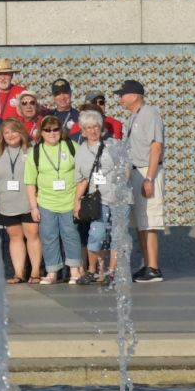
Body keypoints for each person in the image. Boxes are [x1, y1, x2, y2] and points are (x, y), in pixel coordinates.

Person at [118, 80, 167, 282]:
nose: (120, 98)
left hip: (148, 170)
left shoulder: (150, 114)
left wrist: (149, 177)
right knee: (140, 221)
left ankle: (154, 267)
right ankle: (147, 265)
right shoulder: (133, 117)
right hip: (136, 171)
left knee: (149, 221)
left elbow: (156, 146)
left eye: (122, 94)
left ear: (135, 95)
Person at [26, 115, 85, 285]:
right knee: (49, 236)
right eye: (47, 130)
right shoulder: (35, 152)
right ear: (41, 132)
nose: (52, 133)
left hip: (69, 200)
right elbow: (30, 182)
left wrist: (78, 199)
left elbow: (83, 173)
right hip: (46, 202)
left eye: (56, 129)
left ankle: (74, 270)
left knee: (71, 235)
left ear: (61, 130)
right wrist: (33, 207)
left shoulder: (72, 146)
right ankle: (52, 272)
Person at [0, 118, 41, 283]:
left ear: (21, 132)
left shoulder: (31, 151)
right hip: (6, 204)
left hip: (28, 202)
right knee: (14, 237)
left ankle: (35, 272)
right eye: (7, 132)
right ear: (2, 135)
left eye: (14, 131)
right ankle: (19, 273)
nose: (11, 135)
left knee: (32, 235)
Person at [73, 110, 116, 284]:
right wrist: (76, 203)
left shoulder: (112, 145)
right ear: (83, 130)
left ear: (101, 128)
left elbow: (125, 169)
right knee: (96, 235)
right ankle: (92, 270)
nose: (92, 131)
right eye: (88, 128)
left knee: (116, 237)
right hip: (98, 201)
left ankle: (112, 273)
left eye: (96, 126)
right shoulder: (81, 152)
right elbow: (82, 180)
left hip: (117, 199)